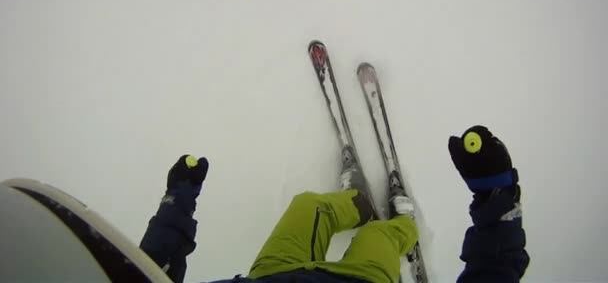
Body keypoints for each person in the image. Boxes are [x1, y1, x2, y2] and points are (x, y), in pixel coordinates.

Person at [140, 126, 530, 283]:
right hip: (360, 282)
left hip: (273, 276)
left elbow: (149, 270)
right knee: (381, 235)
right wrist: (497, 199)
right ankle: (402, 225)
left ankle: (357, 203)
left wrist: (177, 200)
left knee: (307, 206)